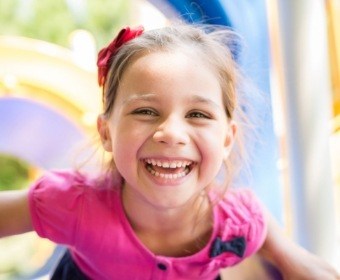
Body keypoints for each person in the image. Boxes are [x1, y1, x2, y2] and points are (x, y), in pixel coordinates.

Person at [0, 23, 339, 280]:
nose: (171, 134)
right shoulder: (73, 203)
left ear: (226, 139)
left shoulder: (238, 222)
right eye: (146, 111)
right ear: (106, 132)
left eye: (198, 115)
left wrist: (290, 258)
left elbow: (291, 254)